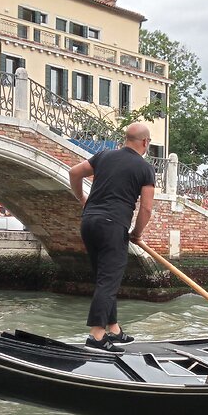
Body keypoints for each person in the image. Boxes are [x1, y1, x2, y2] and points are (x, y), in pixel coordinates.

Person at [68, 123, 156, 352]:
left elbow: (74, 172)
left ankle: (113, 329)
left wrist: (82, 199)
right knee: (109, 280)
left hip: (89, 222)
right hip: (112, 225)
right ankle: (97, 336)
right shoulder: (145, 168)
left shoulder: (104, 155)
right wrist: (137, 233)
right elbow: (146, 209)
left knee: (104, 278)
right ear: (145, 142)